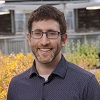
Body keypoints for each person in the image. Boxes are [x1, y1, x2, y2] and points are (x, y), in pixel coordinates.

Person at [7, 5, 100, 100]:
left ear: (63, 39)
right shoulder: (16, 86)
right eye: (37, 33)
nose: (44, 42)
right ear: (29, 39)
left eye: (52, 33)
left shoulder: (86, 83)